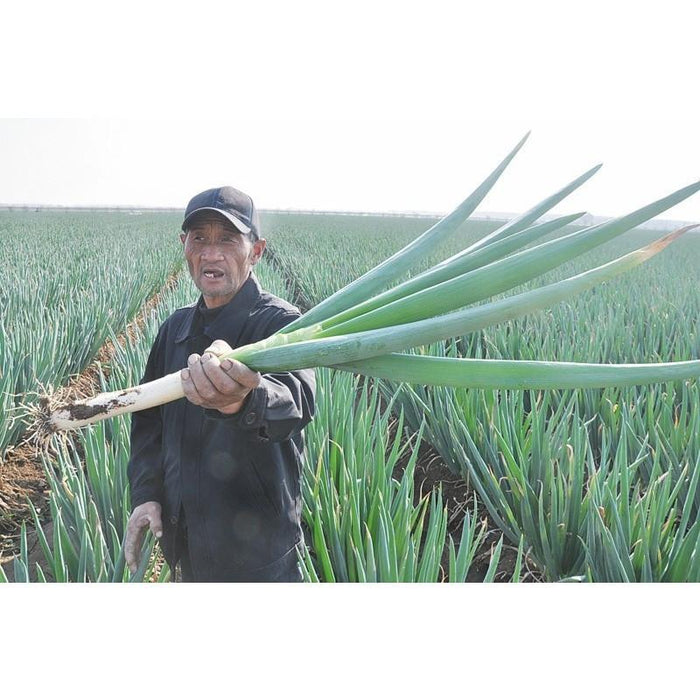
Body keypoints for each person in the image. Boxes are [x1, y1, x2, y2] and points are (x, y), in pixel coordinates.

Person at [124, 186, 316, 582]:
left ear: (257, 251)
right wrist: (146, 494)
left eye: (228, 239)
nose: (211, 254)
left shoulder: (280, 324)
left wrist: (243, 401)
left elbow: (296, 401)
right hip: (186, 545)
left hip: (259, 559)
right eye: (199, 239)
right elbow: (148, 423)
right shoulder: (174, 329)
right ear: (184, 246)